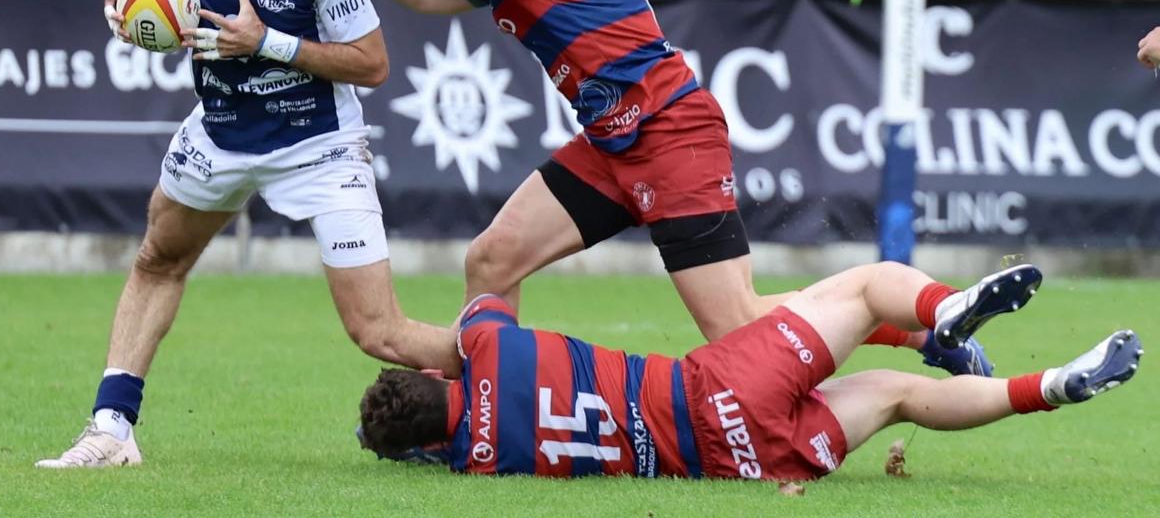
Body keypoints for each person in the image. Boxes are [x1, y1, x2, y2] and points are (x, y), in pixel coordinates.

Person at [281, 0, 991, 377]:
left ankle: (913, 330)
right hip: (613, 142)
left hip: (670, 133)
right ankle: (482, 404)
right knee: (492, 258)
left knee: (738, 328)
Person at [34, 0, 456, 469]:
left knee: (379, 332)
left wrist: (270, 43)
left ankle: (513, 382)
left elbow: (373, 64)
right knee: (158, 260)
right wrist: (125, 0)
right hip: (223, 131)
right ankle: (112, 431)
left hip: (319, 146)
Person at [359, 263, 1142, 480]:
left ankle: (1051, 386)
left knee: (904, 400)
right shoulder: (488, 353)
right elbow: (486, 297)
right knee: (868, 288)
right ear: (435, 382)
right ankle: (939, 312)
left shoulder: (477, 461)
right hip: (707, 391)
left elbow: (452, 436)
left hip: (739, 463)